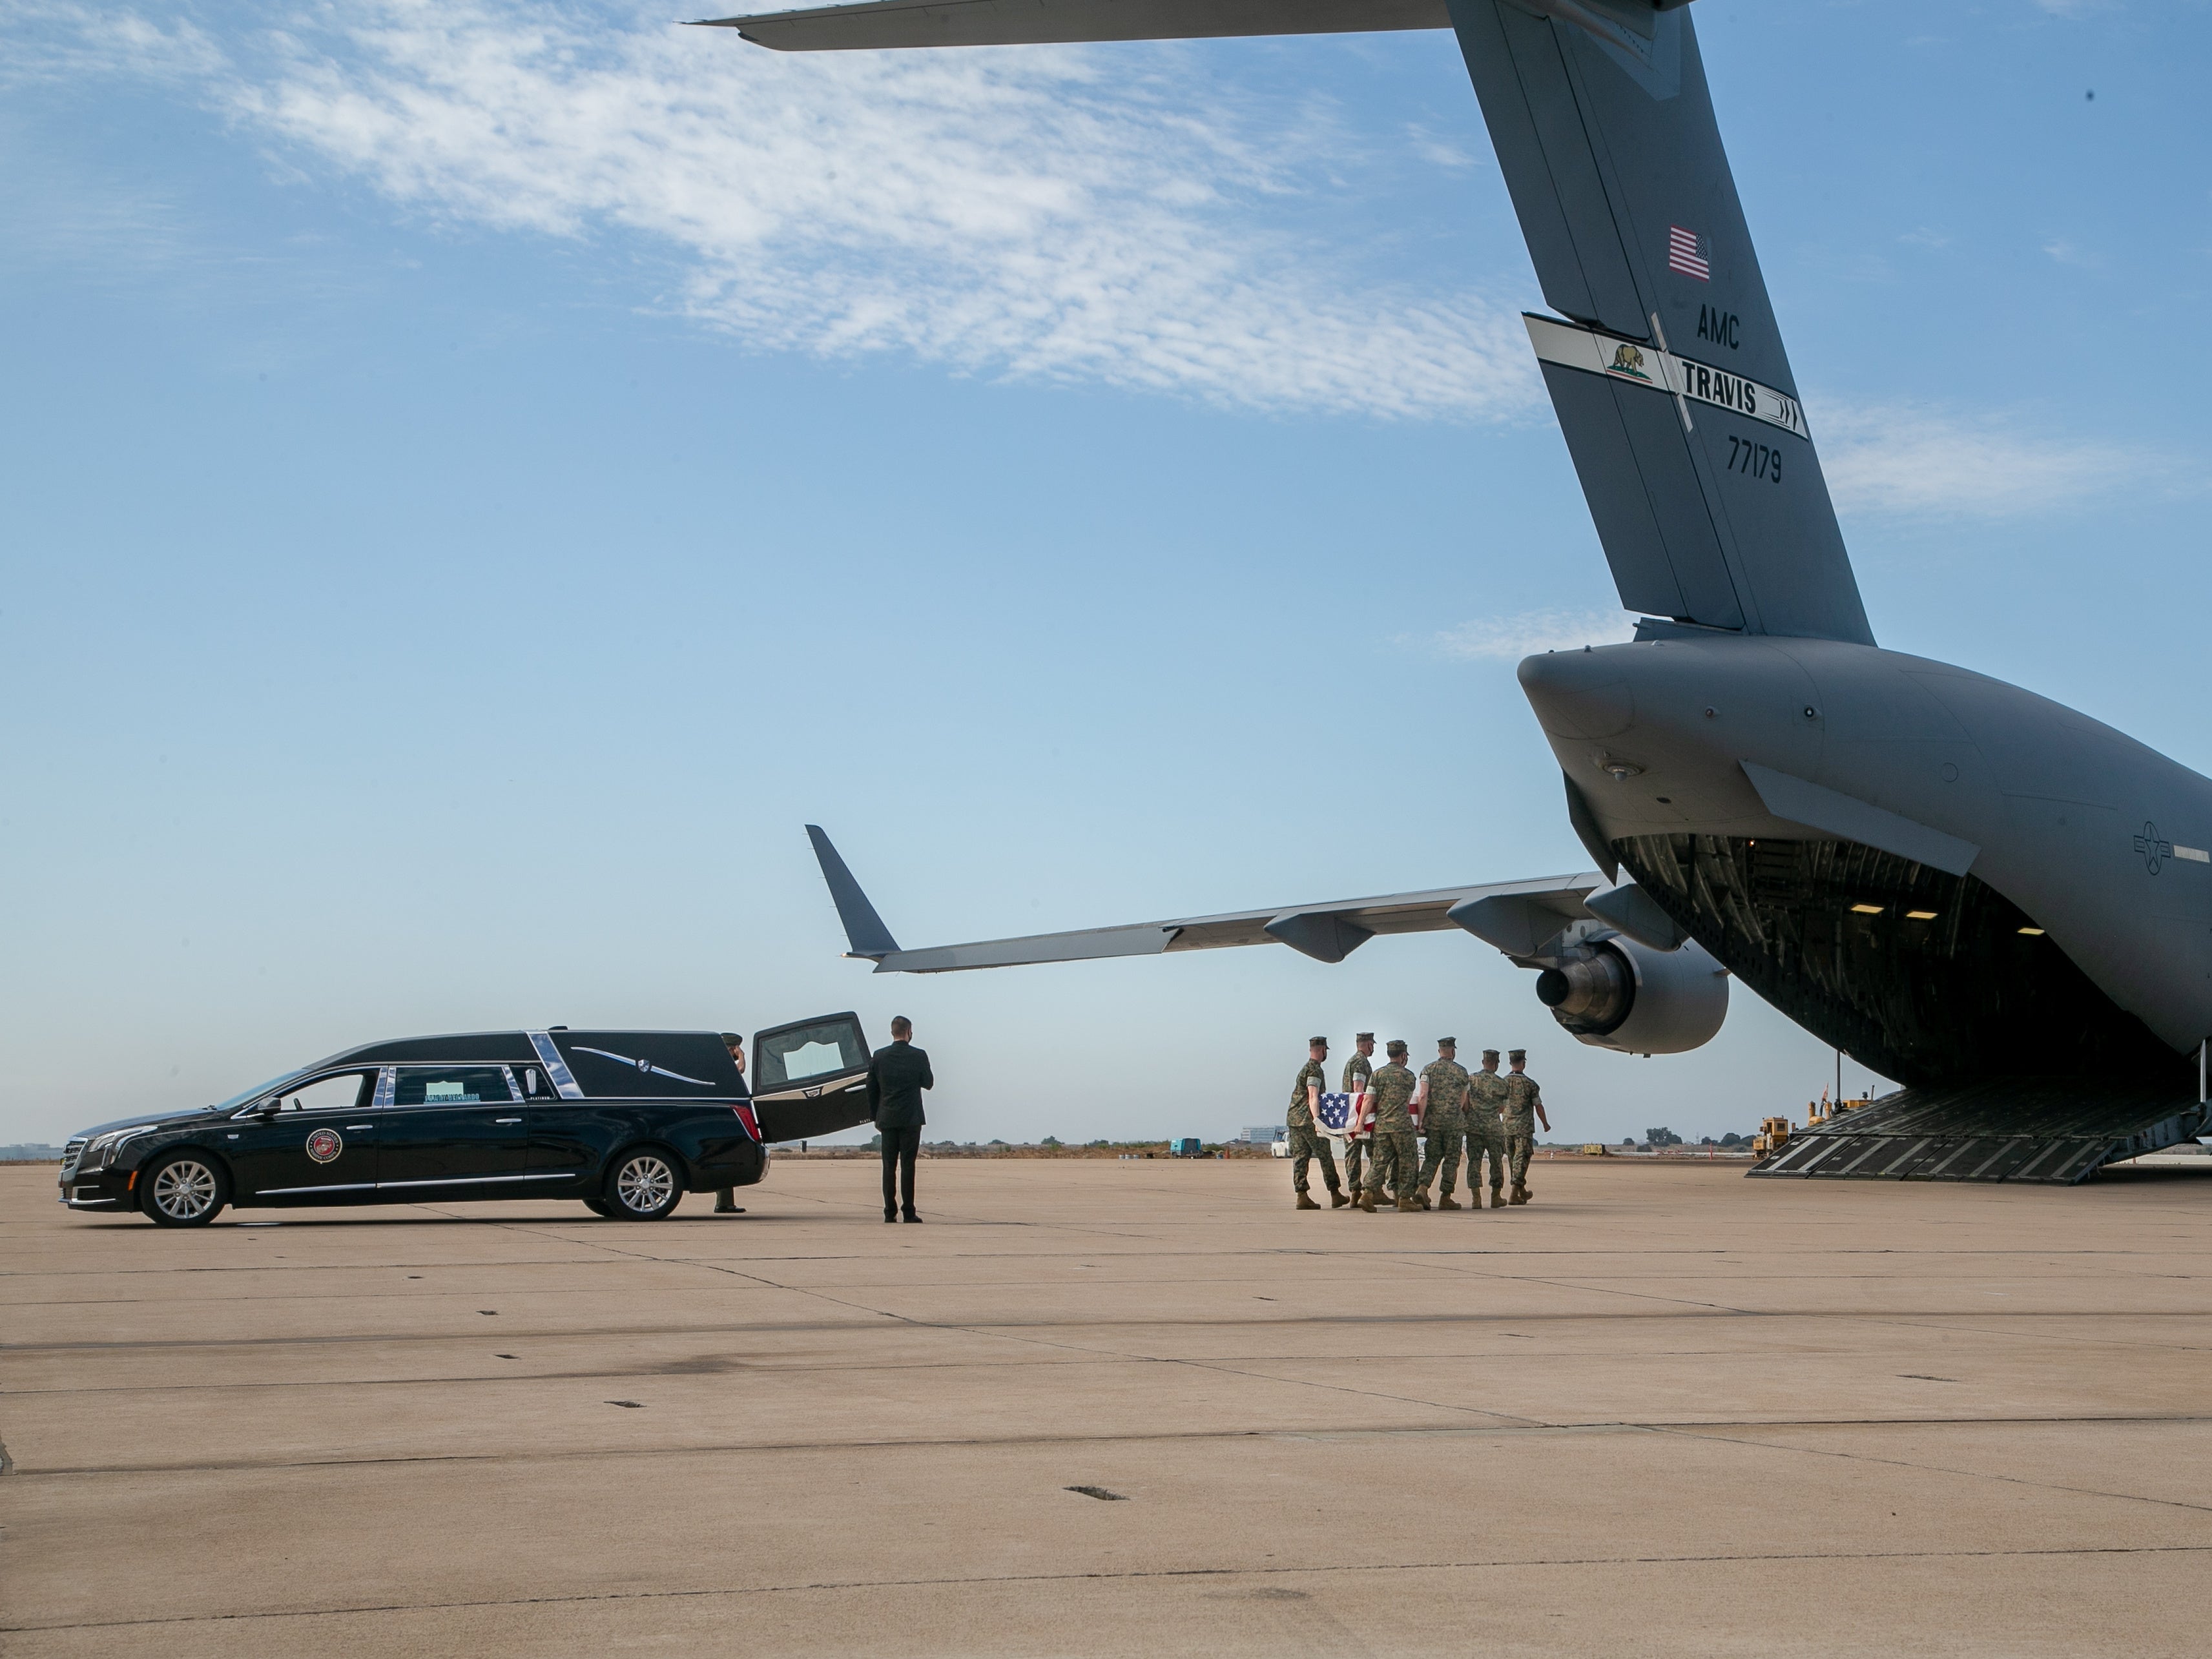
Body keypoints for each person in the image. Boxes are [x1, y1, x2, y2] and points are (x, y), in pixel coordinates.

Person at [867, 1015, 934, 1222]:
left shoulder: (879, 1056)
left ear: (892, 1032)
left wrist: (876, 1116)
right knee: (908, 1165)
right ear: (909, 1032)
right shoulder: (919, 1055)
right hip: (911, 1119)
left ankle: (889, 1212)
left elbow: (871, 1089)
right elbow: (928, 1083)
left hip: (887, 1118)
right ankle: (909, 1212)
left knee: (888, 1166)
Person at [1359, 1040, 1421, 1213]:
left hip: (1382, 1126)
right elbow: (1408, 1100)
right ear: (1403, 1056)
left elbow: (1369, 1100)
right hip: (1402, 1126)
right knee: (1408, 1161)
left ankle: (1367, 1194)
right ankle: (1405, 1199)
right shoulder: (1409, 1076)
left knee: (1380, 1162)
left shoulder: (1377, 1075)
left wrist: (1359, 1123)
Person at [1287, 1036, 1347, 1210]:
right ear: (1322, 1050)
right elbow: (1313, 1095)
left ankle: (1302, 1196)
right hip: (1307, 1120)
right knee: (1325, 1156)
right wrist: (1317, 1120)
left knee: (1300, 1158)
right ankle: (1335, 1193)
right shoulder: (1314, 1070)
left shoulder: (1305, 1068)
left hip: (1294, 1119)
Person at [1416, 1038, 1473, 1210]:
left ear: (1439, 1050)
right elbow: (1464, 1101)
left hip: (1434, 1124)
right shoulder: (1462, 1072)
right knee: (1451, 1160)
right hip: (1454, 1124)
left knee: (1432, 1158)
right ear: (1453, 1051)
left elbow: (1423, 1096)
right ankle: (1446, 1197)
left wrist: (1420, 1121)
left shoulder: (1428, 1070)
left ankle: (1422, 1188)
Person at [1502, 1048, 1551, 1206]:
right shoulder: (1530, 1085)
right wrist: (1545, 1123)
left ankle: (1521, 1190)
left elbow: (1496, 1106)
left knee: (1513, 1160)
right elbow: (1538, 1106)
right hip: (1524, 1128)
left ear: (1510, 1063)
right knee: (1522, 1159)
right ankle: (1514, 1194)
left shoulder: (1502, 1083)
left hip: (1507, 1127)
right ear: (1523, 1064)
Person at [1466, 1048, 1511, 1209]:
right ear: (1497, 1064)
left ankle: (1476, 1198)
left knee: (1474, 1162)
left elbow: (1466, 1102)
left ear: (1483, 1062)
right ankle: (1495, 1197)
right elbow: (1502, 1108)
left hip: (1474, 1128)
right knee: (1496, 1162)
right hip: (1493, 1128)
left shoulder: (1471, 1080)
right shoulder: (1502, 1084)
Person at [714, 1031, 749, 1215]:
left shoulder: (716, 1061)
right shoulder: (722, 1063)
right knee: (725, 1155)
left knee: (725, 1155)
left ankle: (725, 1203)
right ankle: (724, 1203)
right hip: (722, 1116)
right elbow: (740, 1070)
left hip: (722, 1115)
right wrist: (741, 1057)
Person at [1339, 1032, 1376, 1201]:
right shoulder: (1361, 1062)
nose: (1373, 1048)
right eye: (1372, 1045)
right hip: (1361, 1115)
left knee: (1352, 1154)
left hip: (1350, 1115)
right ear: (1368, 1044)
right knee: (1375, 1153)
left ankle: (1355, 1191)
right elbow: (1358, 1089)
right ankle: (1373, 1190)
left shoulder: (1351, 1062)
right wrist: (1363, 1117)